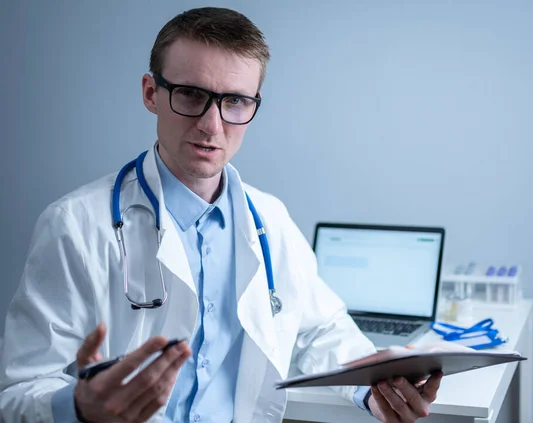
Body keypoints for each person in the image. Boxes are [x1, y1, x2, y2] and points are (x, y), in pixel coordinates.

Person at [0, 7, 442, 423]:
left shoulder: (269, 218)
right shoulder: (74, 226)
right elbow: (18, 393)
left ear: (253, 105)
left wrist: (375, 388)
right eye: (192, 94)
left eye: (234, 101)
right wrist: (79, 407)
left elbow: (319, 331)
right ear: (151, 93)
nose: (212, 125)